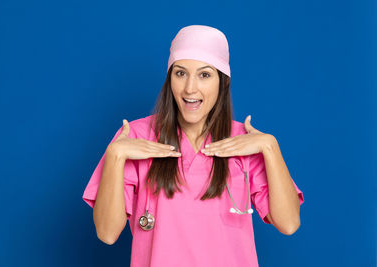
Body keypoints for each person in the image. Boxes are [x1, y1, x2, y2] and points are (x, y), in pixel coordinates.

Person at [82, 25, 304, 267]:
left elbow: (289, 223)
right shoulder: (136, 136)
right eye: (180, 73)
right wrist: (115, 155)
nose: (190, 88)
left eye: (204, 75)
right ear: (170, 79)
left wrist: (270, 148)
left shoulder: (244, 143)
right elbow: (107, 232)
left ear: (223, 82)